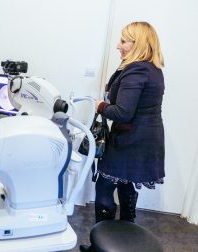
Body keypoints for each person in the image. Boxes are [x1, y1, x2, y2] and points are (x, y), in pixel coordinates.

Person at [81, 21, 165, 251]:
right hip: (143, 139)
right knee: (126, 185)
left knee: (105, 187)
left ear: (138, 44)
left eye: (123, 41)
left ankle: (101, 245)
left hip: (131, 141)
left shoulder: (137, 70)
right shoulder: (152, 68)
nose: (118, 45)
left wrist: (100, 106)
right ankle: (126, 241)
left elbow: (123, 113)